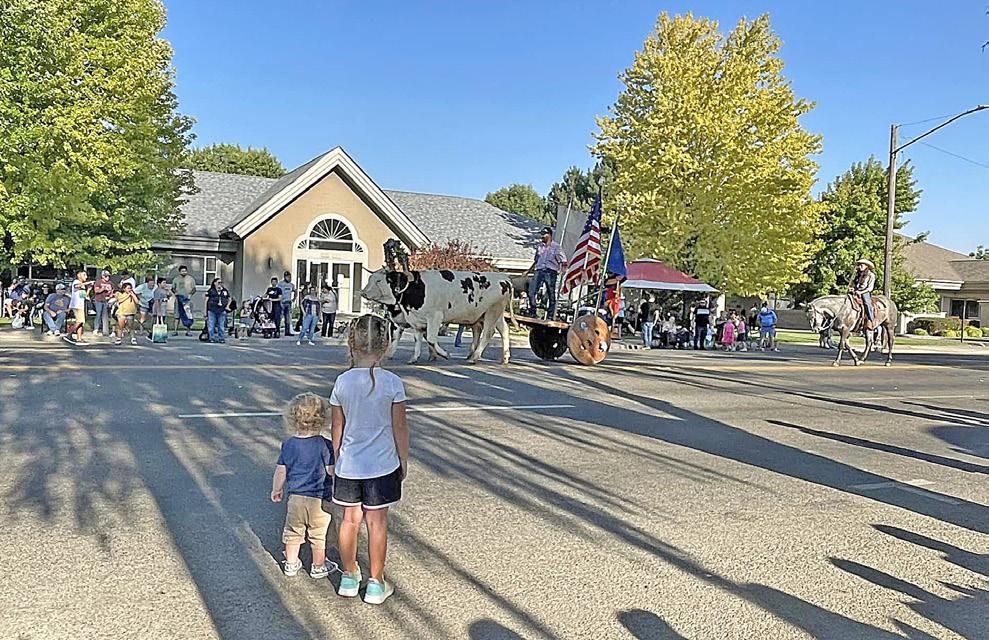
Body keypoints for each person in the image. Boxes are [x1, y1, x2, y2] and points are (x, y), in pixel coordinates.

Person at [331, 315, 410, 605]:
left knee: (349, 520)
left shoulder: (342, 382)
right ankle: (376, 582)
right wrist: (403, 459)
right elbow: (400, 427)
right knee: (377, 523)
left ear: (351, 343)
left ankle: (349, 576)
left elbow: (337, 426)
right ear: (386, 345)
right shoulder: (392, 383)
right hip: (382, 464)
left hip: (349, 464)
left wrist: (337, 457)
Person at [270, 393, 335, 579]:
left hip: (296, 498)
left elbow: (281, 470)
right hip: (319, 499)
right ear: (322, 419)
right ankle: (318, 565)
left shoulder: (289, 444)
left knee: (293, 531)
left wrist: (277, 489)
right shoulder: (325, 445)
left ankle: (291, 563)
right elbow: (330, 471)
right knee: (318, 534)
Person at [526, 226, 566, 320]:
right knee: (531, 291)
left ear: (549, 235)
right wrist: (528, 271)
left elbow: (563, 260)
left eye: (544, 234)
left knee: (551, 293)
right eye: (541, 234)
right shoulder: (540, 247)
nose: (542, 236)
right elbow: (536, 260)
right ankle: (533, 311)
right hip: (539, 270)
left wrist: (562, 271)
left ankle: (550, 315)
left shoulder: (556, 247)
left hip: (550, 272)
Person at [850, 258, 877, 329]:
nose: (860, 266)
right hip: (856, 291)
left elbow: (870, 288)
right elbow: (855, 284)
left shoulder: (871, 275)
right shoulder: (858, 275)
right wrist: (853, 288)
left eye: (861, 265)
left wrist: (861, 292)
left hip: (865, 292)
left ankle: (871, 320)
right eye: (859, 265)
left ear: (866, 266)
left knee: (867, 303)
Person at [171, 265, 197, 336]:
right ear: (180, 272)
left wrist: (190, 294)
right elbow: (173, 288)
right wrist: (175, 293)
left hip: (187, 300)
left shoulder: (190, 279)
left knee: (188, 315)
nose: (184, 272)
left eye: (185, 271)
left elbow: (194, 289)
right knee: (177, 315)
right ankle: (175, 331)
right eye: (182, 271)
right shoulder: (176, 279)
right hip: (178, 299)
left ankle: (188, 331)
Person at [68, 271, 93, 344]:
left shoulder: (82, 286)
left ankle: (79, 338)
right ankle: (69, 333)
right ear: (79, 275)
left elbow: (84, 296)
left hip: (81, 305)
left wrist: (88, 289)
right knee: (80, 321)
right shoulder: (76, 282)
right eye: (84, 275)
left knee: (81, 322)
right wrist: (87, 283)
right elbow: (76, 286)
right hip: (76, 305)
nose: (86, 277)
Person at [205, 278, 230, 343]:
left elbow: (229, 298)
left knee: (221, 325)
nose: (220, 284)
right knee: (211, 325)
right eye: (218, 282)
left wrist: (227, 306)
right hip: (212, 310)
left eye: (221, 283)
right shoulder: (211, 290)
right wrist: (206, 311)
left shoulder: (224, 291)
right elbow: (206, 300)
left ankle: (221, 338)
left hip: (222, 310)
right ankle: (211, 338)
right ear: (214, 283)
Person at [92, 270, 115, 336]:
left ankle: (105, 330)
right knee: (98, 314)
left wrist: (111, 294)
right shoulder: (98, 282)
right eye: (106, 276)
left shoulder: (110, 283)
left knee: (106, 316)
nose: (107, 277)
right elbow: (96, 291)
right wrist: (103, 289)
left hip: (106, 301)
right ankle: (96, 329)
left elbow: (113, 290)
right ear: (102, 276)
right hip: (99, 300)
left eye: (108, 276)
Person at [278, 271, 295, 337]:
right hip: (282, 302)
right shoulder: (280, 284)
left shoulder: (291, 285)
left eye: (289, 277)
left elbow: (295, 291)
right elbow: (278, 292)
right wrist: (279, 301)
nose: (289, 278)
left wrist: (294, 298)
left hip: (288, 302)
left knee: (288, 318)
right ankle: (277, 330)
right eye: (287, 277)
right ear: (285, 277)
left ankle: (287, 332)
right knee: (279, 317)